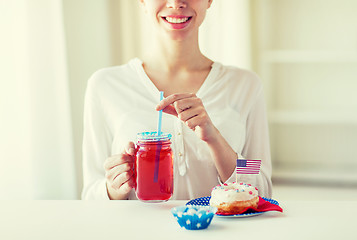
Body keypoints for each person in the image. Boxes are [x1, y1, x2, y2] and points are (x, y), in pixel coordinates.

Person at [81, 0, 272, 200]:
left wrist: (215, 139)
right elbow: (91, 194)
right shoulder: (105, 85)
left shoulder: (245, 85)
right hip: (138, 232)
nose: (176, 3)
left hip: (221, 231)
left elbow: (262, 183)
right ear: (143, 2)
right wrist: (114, 187)